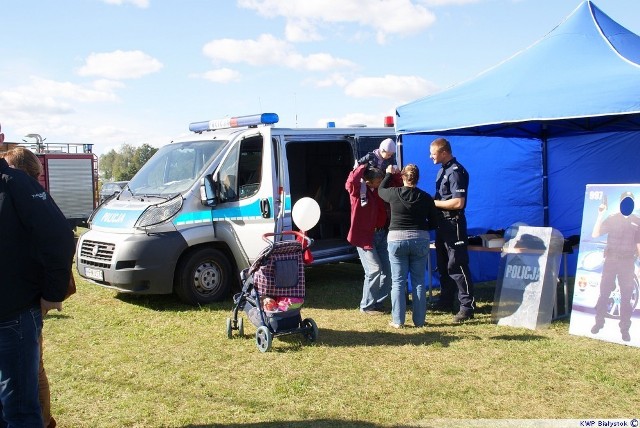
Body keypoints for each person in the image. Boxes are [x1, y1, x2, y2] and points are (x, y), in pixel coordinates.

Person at [0, 146, 75, 426]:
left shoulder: (16, 184)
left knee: (19, 407)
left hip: (13, 315)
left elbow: (59, 238)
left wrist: (52, 293)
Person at [378, 164, 439, 328]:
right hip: (420, 240)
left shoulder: (393, 193)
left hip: (396, 240)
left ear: (403, 177)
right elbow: (434, 222)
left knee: (398, 282)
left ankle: (398, 321)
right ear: (417, 178)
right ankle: (419, 321)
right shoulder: (426, 198)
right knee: (419, 282)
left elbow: (380, 190)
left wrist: (388, 174)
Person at [429, 137, 476, 323]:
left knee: (456, 264)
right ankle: (446, 300)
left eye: (433, 153)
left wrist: (432, 203)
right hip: (442, 224)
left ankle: (467, 306)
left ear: (444, 152)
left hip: (453, 223)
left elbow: (458, 202)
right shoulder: (442, 170)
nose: (430, 156)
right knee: (442, 265)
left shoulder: (455, 172)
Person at [590, 191, 640, 342]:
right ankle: (599, 323)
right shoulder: (612, 218)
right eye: (625, 200)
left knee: (626, 297)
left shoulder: (637, 221)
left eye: (630, 201)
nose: (627, 203)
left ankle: (625, 329)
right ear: (620, 202)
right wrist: (600, 214)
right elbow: (595, 234)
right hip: (611, 260)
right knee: (604, 293)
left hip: (628, 262)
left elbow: (638, 244)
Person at [345, 165, 392, 315]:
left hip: (381, 235)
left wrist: (394, 173)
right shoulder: (358, 192)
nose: (381, 185)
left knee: (388, 271)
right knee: (374, 269)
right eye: (378, 182)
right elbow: (351, 181)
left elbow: (395, 184)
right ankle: (366, 306)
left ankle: (376, 302)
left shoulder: (379, 191)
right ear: (368, 181)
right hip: (364, 237)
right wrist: (362, 165)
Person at [356, 138, 396, 206]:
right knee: (362, 182)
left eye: (391, 155)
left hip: (380, 177)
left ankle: (386, 200)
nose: (390, 156)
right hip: (369, 177)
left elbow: (393, 164)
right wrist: (359, 166)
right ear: (382, 151)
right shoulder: (371, 155)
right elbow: (360, 162)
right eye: (389, 154)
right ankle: (363, 197)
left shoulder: (389, 159)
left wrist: (394, 167)